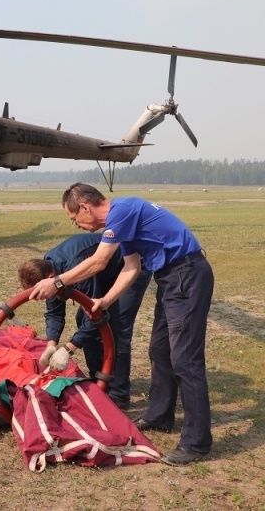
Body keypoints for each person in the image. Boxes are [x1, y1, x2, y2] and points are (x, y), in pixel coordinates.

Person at [29, 183, 214, 466]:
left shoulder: (122, 211)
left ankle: (196, 442)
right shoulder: (124, 220)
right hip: (170, 278)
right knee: (159, 350)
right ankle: (160, 415)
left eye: (74, 218)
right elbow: (132, 268)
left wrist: (57, 282)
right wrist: (105, 300)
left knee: (185, 360)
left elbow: (100, 261)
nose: (76, 225)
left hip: (186, 275)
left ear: (85, 207)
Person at [17, 233, 151, 409]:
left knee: (116, 327)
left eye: (43, 294)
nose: (44, 298)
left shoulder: (75, 267)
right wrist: (51, 343)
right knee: (83, 319)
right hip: (104, 274)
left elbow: (96, 315)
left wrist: (69, 349)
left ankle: (119, 394)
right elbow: (54, 313)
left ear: (50, 278)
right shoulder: (50, 273)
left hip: (131, 267)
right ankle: (100, 380)